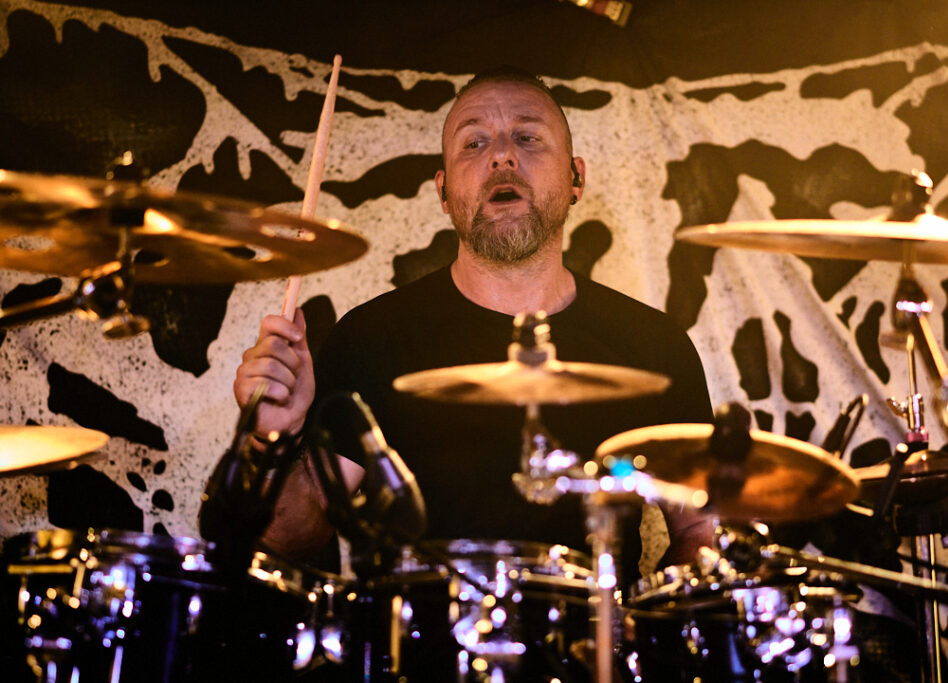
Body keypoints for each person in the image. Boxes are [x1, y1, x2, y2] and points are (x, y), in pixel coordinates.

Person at [231, 66, 714, 585]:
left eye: (528, 137)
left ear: (576, 178)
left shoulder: (654, 346)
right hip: (415, 632)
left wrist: (655, 620)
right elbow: (293, 538)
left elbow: (699, 531)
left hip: (595, 633)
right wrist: (271, 440)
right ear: (443, 192)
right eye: (474, 143)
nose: (502, 156)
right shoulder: (371, 338)